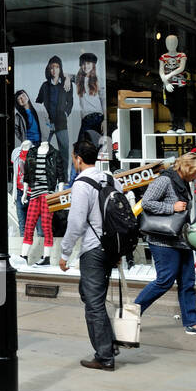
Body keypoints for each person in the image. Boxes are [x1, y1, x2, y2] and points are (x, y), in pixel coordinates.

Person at [60, 139, 123, 371]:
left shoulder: (81, 184)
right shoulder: (111, 179)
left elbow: (75, 222)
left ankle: (105, 355)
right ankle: (109, 342)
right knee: (90, 295)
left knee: (93, 303)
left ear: (77, 158)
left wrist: (65, 253)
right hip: (110, 246)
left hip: (93, 248)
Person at [133, 154, 196, 336]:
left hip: (181, 239)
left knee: (187, 281)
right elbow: (146, 203)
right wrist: (171, 208)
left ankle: (192, 323)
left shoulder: (183, 182)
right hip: (163, 240)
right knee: (165, 280)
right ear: (187, 169)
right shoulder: (165, 180)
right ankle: (133, 311)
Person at [36, 57, 74, 169]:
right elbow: (38, 102)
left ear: (60, 68)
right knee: (42, 151)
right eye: (52, 67)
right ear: (48, 69)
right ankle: (43, 176)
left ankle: (65, 179)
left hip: (61, 123)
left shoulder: (66, 84)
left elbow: (70, 102)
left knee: (64, 150)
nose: (54, 70)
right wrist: (43, 116)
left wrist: (65, 114)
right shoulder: (45, 85)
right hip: (47, 124)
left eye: (57, 67)